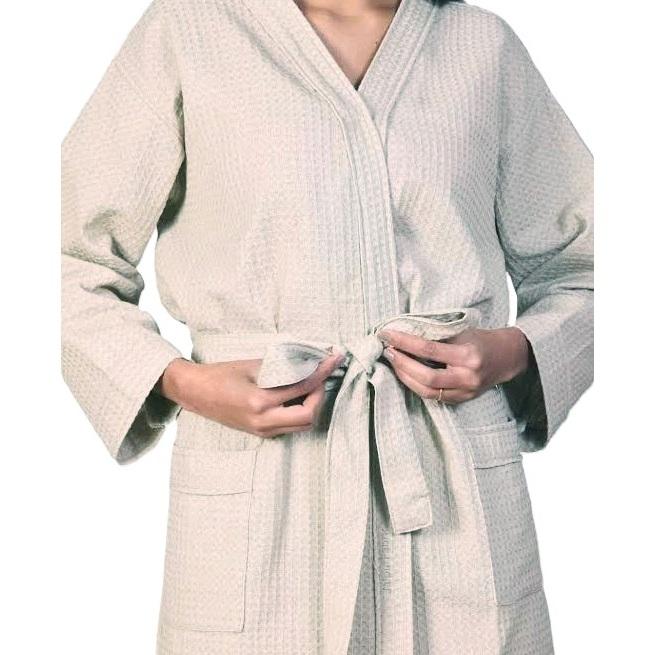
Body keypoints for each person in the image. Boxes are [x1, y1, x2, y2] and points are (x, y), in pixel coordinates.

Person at [60, 0, 593, 653]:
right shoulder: (186, 32)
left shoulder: (482, 47)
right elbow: (62, 259)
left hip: (451, 479)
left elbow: (596, 265)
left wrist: (511, 350)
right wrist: (183, 382)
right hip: (261, 483)